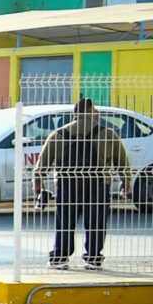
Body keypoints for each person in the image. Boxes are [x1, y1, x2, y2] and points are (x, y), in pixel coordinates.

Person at [42, 96, 126, 271]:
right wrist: (127, 182)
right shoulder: (107, 133)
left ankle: (60, 257)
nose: (97, 112)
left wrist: (38, 182)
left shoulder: (58, 134)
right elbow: (122, 162)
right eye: (94, 109)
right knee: (96, 222)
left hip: (67, 184)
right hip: (98, 184)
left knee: (65, 222)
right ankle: (93, 259)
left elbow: (43, 163)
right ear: (89, 112)